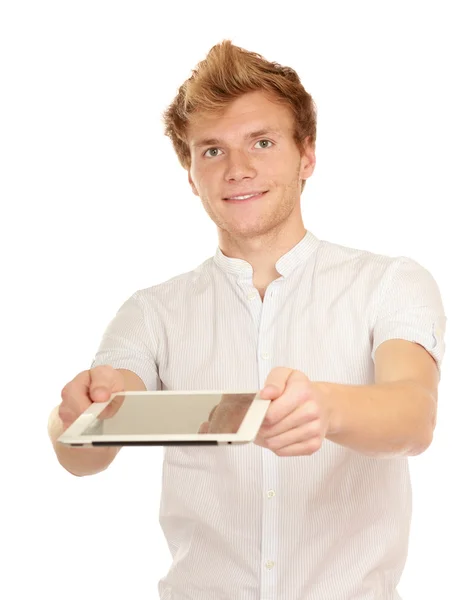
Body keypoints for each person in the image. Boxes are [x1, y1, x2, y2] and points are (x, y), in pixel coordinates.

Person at [48, 40, 446, 600]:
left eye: (262, 142)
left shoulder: (390, 283)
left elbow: (415, 415)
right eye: (211, 151)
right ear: (190, 173)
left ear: (306, 155)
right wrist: (81, 414)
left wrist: (326, 408)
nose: (238, 169)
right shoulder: (151, 312)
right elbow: (81, 454)